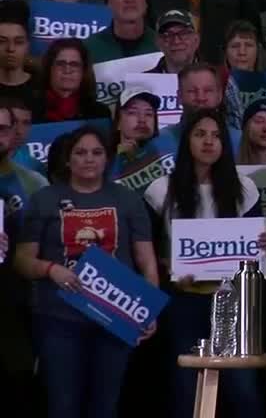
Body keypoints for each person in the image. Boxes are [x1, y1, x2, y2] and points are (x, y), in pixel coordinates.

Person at [14, 124, 159, 418]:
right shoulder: (44, 199)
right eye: (80, 153)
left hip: (114, 316)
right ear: (68, 160)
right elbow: (22, 260)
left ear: (107, 158)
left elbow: (147, 262)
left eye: (96, 152)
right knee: (62, 406)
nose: (89, 159)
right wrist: (51, 269)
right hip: (58, 319)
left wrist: (147, 310)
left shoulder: (128, 200)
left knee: (105, 407)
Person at [143, 108, 266, 418]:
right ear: (186, 141)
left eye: (216, 136)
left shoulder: (245, 189)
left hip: (233, 302)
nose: (209, 142)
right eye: (200, 134)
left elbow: (255, 249)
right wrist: (171, 270)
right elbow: (147, 251)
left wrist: (264, 244)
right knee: (185, 392)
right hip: (184, 303)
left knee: (243, 390)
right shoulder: (160, 190)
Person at [31, 39, 111, 123]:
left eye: (74, 64)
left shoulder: (99, 113)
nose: (67, 70)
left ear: (83, 71)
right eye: (61, 64)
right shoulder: (31, 109)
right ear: (49, 68)